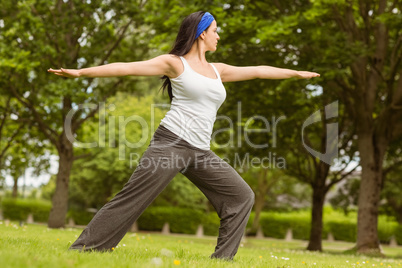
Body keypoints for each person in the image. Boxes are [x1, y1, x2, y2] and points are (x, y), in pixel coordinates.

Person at [48, 11, 319, 260]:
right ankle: (83, 250)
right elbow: (126, 67)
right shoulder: (174, 64)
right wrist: (82, 72)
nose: (218, 35)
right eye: (215, 30)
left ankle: (222, 261)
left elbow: (259, 71)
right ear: (202, 33)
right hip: (171, 143)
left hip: (200, 151)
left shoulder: (218, 70)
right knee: (132, 198)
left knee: (241, 196)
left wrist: (295, 73)